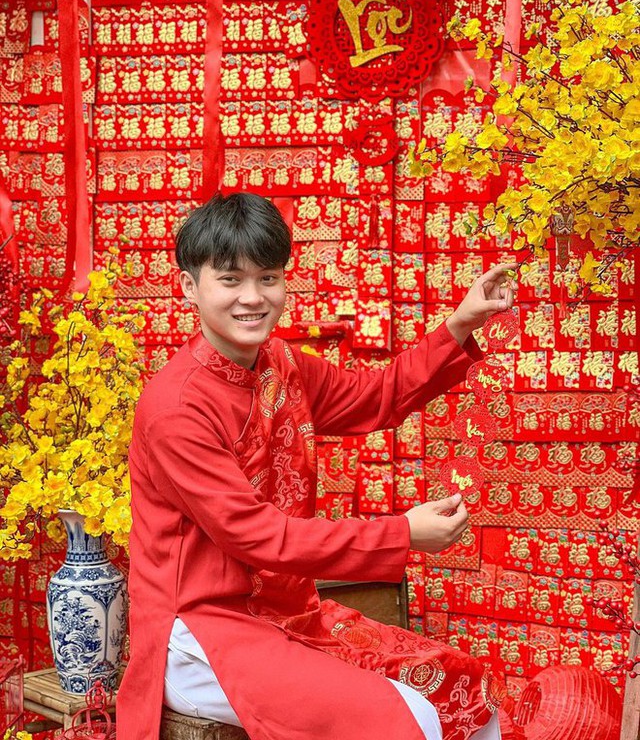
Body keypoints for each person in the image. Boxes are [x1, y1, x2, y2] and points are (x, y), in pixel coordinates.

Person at [117, 192, 515, 740]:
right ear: (190, 287)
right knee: (405, 719)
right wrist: (402, 534)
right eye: (230, 280)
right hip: (202, 628)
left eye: (269, 278)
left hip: (288, 611)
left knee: (465, 686)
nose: (252, 298)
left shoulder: (280, 364)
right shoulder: (175, 408)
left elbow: (376, 396)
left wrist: (459, 324)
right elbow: (258, 537)